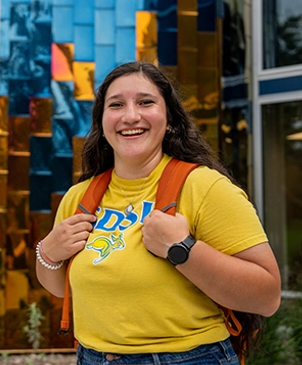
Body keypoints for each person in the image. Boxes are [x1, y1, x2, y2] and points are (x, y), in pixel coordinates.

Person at [36, 61, 281, 365]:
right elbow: (61, 287)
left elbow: (267, 297)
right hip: (93, 357)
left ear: (169, 120)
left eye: (146, 102)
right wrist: (48, 251)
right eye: (116, 105)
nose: (130, 116)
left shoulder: (204, 187)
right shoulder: (80, 197)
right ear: (102, 121)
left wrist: (183, 250)